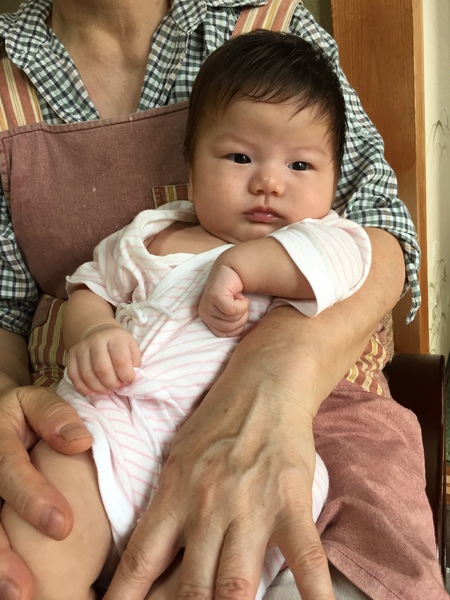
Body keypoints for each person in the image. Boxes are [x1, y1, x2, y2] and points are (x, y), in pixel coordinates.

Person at [0, 2, 443, 600]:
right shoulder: (151, 233)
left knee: (245, 553)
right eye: (239, 158)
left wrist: (247, 272)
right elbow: (87, 288)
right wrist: (92, 333)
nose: (268, 182)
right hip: (122, 415)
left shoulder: (321, 233)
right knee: (49, 521)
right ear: (190, 167)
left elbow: (374, 243)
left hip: (292, 429)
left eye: (300, 165)